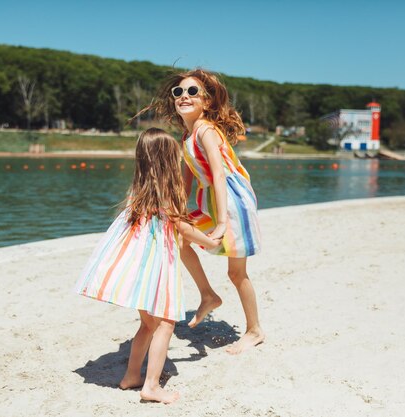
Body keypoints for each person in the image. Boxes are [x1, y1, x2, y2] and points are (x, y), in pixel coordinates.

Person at [75, 128, 221, 404]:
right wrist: (211, 241)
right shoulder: (167, 191)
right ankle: (151, 386)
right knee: (166, 322)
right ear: (168, 160)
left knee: (147, 324)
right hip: (156, 266)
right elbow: (183, 229)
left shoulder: (138, 189)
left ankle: (132, 375)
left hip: (139, 266)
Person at [140, 69, 265, 354]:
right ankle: (208, 295)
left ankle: (254, 330)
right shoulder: (187, 134)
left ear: (206, 101)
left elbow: (219, 176)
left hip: (232, 203)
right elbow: (186, 178)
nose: (184, 96)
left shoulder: (206, 130)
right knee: (178, 236)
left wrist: (222, 221)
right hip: (208, 199)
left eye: (193, 92)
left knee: (236, 273)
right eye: (179, 92)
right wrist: (174, 210)